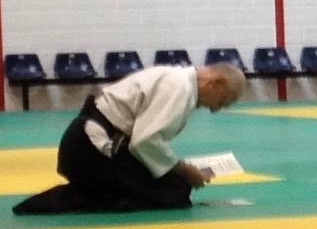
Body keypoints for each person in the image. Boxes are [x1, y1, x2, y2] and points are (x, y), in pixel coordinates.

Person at [14, 63, 249, 215]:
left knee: (174, 187)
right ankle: (72, 196)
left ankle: (93, 189)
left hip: (91, 145)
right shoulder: (178, 87)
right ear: (217, 82)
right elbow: (144, 141)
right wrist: (182, 168)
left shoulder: (178, 82)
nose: (215, 109)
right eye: (223, 101)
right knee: (173, 192)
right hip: (92, 150)